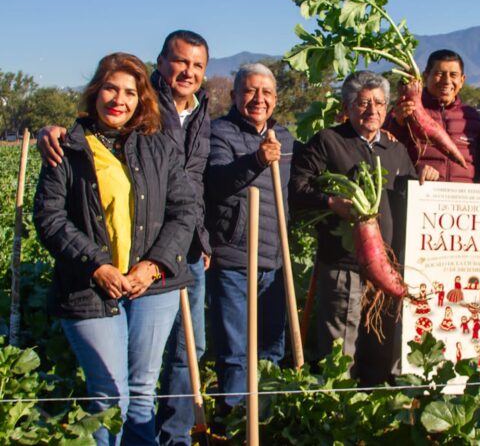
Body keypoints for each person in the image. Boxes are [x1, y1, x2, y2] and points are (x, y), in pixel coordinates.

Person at [36, 30, 212, 446]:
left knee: (141, 393)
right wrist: (95, 265)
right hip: (89, 286)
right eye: (111, 89)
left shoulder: (158, 147)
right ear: (96, 92)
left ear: (141, 98)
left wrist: (153, 266)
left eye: (129, 93)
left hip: (154, 285)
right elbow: (49, 216)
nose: (119, 100)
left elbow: (184, 209)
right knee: (108, 394)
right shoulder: (68, 146)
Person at [289, 71, 438, 385]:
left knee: (380, 344)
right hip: (345, 265)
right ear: (347, 106)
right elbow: (297, 190)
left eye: (379, 103)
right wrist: (331, 202)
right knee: (341, 349)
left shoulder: (395, 150)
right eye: (363, 103)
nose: (372, 110)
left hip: (389, 267)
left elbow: (409, 197)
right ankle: (337, 414)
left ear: (387, 109)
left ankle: (372, 415)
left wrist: (425, 177)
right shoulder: (329, 141)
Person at [204, 63, 298, 414]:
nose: (259, 99)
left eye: (267, 92)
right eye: (249, 91)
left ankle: (266, 419)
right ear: (234, 96)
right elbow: (216, 182)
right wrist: (256, 160)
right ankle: (232, 421)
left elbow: (304, 181)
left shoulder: (285, 138)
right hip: (233, 259)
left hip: (274, 261)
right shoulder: (219, 133)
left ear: (275, 98)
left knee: (272, 349)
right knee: (235, 352)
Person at [383, 49, 480, 182]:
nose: (447, 81)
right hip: (420, 194)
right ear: (425, 76)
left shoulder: (471, 117)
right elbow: (387, 153)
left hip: (462, 198)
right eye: (439, 74)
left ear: (462, 80)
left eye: (453, 75)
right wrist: (397, 123)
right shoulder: (404, 111)